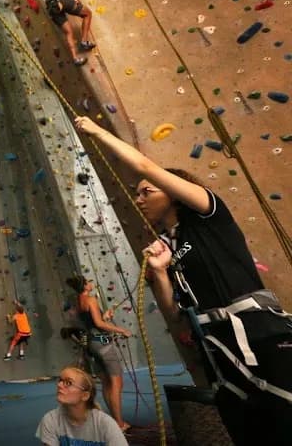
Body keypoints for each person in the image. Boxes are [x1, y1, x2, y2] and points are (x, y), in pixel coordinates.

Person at [74, 115, 292, 445]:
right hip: (217, 349)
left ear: (175, 195)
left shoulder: (209, 215)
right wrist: (161, 273)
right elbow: (175, 317)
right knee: (248, 430)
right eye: (137, 194)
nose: (139, 199)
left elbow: (146, 166)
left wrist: (96, 131)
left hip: (259, 334)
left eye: (146, 191)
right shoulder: (168, 246)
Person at [66, 275, 132, 432]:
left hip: (92, 344)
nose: (91, 283)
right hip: (102, 344)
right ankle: (119, 424)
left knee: (107, 383)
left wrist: (105, 316)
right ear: (85, 286)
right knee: (116, 383)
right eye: (88, 282)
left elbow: (92, 322)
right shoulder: (91, 300)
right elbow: (99, 324)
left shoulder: (79, 302)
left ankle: (116, 421)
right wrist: (122, 329)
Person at [36, 366, 128, 446]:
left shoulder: (105, 424)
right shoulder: (50, 420)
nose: (59, 385)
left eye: (68, 383)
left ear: (85, 396)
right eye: (60, 380)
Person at [39, 0, 95, 66]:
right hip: (63, 1)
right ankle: (84, 42)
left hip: (52, 7)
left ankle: (76, 59)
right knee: (87, 14)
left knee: (69, 32)